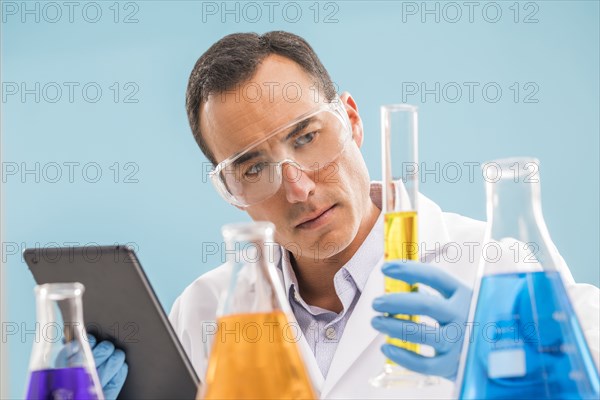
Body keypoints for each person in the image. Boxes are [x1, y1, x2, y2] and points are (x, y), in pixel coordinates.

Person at [100, 31, 600, 399]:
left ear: (352, 122)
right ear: (229, 188)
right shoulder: (203, 312)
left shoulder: (496, 269)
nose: (298, 187)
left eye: (306, 137)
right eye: (254, 167)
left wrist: (515, 362)